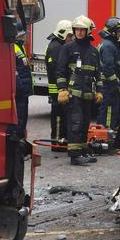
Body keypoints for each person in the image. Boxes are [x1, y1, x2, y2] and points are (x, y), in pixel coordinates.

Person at [57, 15, 103, 165]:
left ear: (88, 31)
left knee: (84, 123)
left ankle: (82, 151)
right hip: (73, 93)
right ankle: (74, 155)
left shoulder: (94, 51)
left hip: (88, 94)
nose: (79, 32)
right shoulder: (67, 48)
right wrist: (62, 89)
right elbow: (61, 70)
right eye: (77, 29)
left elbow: (98, 74)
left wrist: (99, 91)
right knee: (75, 123)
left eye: (82, 30)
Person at [45, 20, 73, 149]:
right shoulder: (56, 48)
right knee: (57, 117)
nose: (71, 38)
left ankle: (60, 141)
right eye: (69, 36)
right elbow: (57, 70)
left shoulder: (58, 45)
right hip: (57, 89)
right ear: (63, 34)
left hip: (59, 88)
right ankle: (56, 143)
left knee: (62, 116)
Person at [97, 17, 120, 129]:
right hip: (108, 85)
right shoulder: (108, 46)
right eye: (119, 32)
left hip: (107, 84)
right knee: (109, 110)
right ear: (113, 32)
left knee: (106, 109)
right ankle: (107, 132)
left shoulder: (107, 43)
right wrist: (115, 82)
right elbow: (108, 68)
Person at [13, 33, 33, 139]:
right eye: (22, 35)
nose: (24, 37)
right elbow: (13, 69)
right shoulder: (13, 47)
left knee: (23, 116)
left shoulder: (20, 46)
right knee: (19, 117)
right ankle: (18, 140)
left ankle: (21, 139)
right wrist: (19, 86)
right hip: (20, 89)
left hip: (24, 88)